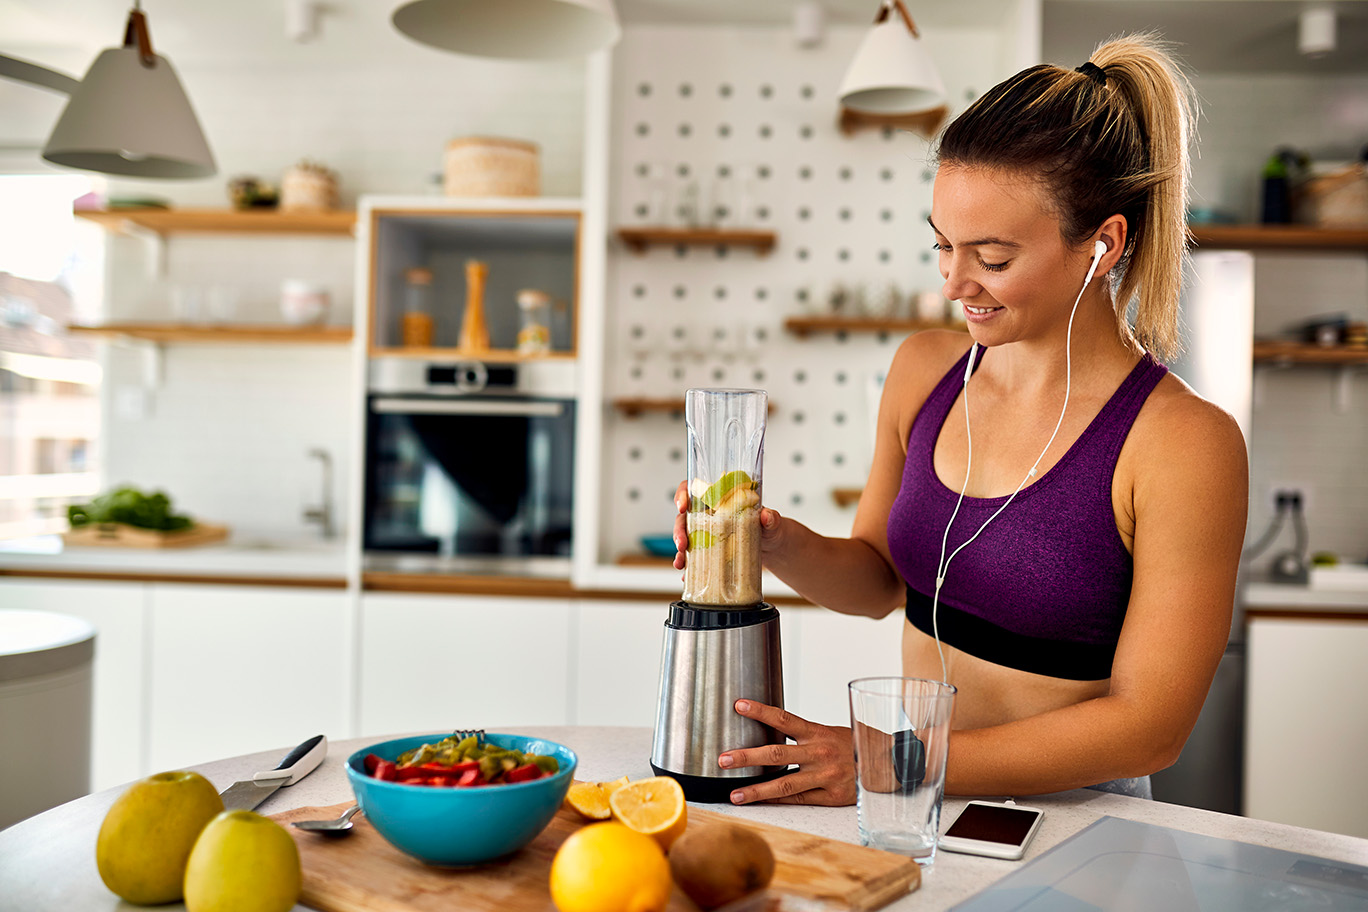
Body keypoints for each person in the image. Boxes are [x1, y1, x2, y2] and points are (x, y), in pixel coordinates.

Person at [671, 34, 1249, 807]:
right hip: (913, 808)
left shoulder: (1182, 442)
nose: (954, 283)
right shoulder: (925, 371)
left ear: (1103, 245)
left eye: (993, 257)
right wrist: (769, 538)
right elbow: (877, 582)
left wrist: (897, 760)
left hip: (1078, 825)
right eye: (942, 245)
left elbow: (1150, 727)